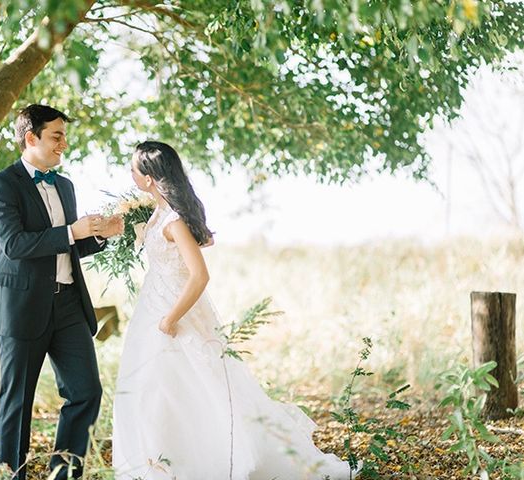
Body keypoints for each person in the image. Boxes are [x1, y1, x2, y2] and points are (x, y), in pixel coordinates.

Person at [112, 141, 358, 479]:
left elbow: (200, 275)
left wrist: (171, 318)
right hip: (151, 309)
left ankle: (208, 461)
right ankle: (158, 464)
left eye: (133, 169)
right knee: (153, 391)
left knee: (187, 389)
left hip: (174, 315)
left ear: (150, 178)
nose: (130, 174)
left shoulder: (174, 223)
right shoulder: (156, 215)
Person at [0, 104, 123, 480]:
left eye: (64, 136)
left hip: (70, 308)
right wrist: (72, 232)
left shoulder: (65, 186)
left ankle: (63, 475)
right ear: (31, 138)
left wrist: (99, 234)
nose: (64, 144)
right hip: (21, 308)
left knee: (86, 392)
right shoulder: (0, 186)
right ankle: (13, 476)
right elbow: (15, 244)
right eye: (56, 136)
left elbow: (68, 246)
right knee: (17, 401)